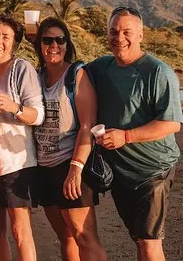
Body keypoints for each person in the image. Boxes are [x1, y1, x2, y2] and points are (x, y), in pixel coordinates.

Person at [87, 6, 182, 261]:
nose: (119, 38)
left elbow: (171, 124)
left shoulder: (158, 72)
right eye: (113, 31)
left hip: (152, 171)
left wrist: (126, 136)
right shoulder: (102, 67)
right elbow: (71, 71)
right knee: (140, 240)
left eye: (127, 32)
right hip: (120, 174)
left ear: (141, 35)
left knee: (149, 243)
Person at [31, 17, 107, 261]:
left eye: (60, 40)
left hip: (70, 163)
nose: (54, 45)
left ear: (67, 44)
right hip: (44, 167)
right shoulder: (36, 76)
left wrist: (76, 169)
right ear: (39, 44)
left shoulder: (76, 75)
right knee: (65, 236)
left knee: (84, 236)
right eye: (47, 40)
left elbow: (87, 125)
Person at [0, 15, 44, 261]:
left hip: (18, 163)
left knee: (20, 231)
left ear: (15, 43)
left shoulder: (22, 69)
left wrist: (12, 106)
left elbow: (38, 115)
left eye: (6, 37)